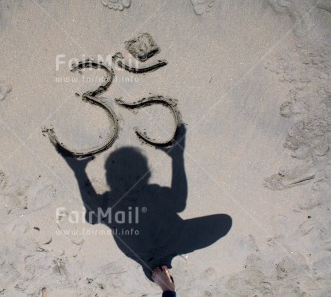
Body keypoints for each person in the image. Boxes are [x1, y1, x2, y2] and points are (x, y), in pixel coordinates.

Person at [51, 125, 231, 293]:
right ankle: (78, 168)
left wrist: (169, 288)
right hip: (131, 211)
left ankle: (176, 154)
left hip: (144, 214)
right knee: (105, 213)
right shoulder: (147, 247)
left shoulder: (176, 241)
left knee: (175, 204)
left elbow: (223, 223)